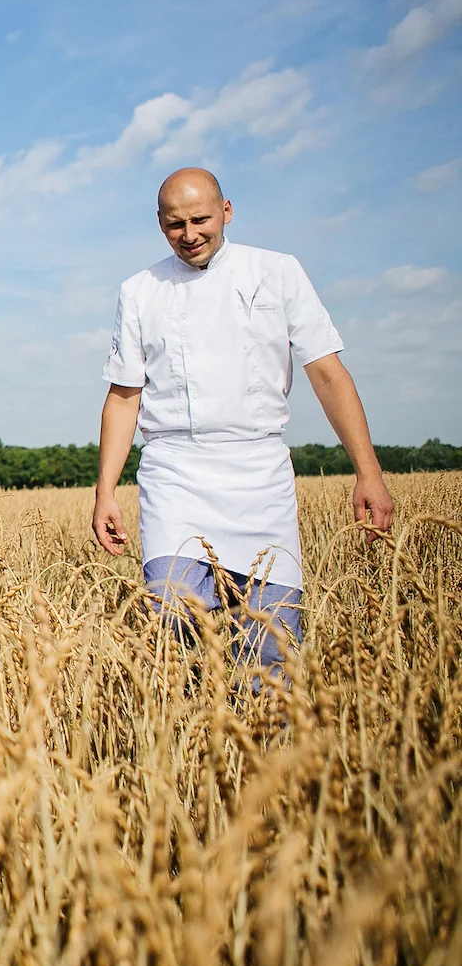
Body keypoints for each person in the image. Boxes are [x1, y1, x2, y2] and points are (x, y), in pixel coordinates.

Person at [91, 167, 395, 673]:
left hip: (260, 472)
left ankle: (261, 741)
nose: (189, 235)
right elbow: (124, 396)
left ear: (226, 211)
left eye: (200, 219)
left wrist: (369, 471)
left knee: (270, 642)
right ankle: (185, 732)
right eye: (174, 224)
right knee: (172, 614)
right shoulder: (139, 290)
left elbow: (327, 374)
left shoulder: (278, 272)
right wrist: (106, 489)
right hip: (175, 471)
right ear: (159, 225)